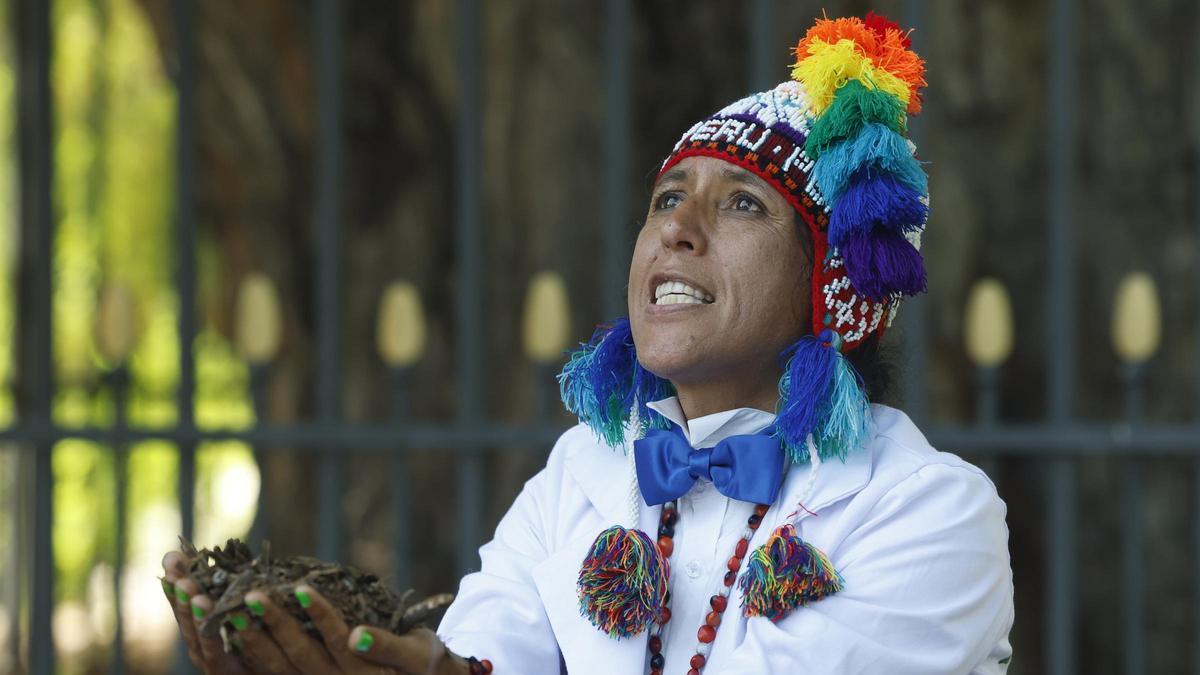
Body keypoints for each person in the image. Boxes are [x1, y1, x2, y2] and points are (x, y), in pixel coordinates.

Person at [162, 12, 1014, 674]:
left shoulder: (929, 511)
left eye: (742, 204)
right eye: (667, 197)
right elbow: (486, 644)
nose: (677, 228)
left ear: (830, 288)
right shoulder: (585, 472)